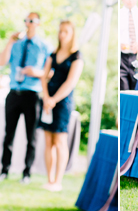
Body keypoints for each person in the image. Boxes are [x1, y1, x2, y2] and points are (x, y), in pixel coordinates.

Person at [0, 12, 51, 184]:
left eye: (32, 20)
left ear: (38, 23)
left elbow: (51, 72)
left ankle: (26, 173)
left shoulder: (44, 46)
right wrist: (9, 42)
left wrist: (37, 72)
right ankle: (4, 170)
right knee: (8, 134)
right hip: (14, 93)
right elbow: (1, 62)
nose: (28, 23)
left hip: (31, 94)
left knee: (31, 136)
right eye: (26, 20)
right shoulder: (17, 44)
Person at [38, 20, 83, 192]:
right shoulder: (53, 53)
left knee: (60, 140)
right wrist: (46, 97)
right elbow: (44, 76)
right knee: (48, 140)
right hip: (48, 100)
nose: (62, 35)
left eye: (66, 32)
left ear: (72, 34)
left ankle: (58, 181)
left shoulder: (76, 56)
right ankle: (49, 180)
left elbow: (70, 82)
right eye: (60, 31)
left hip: (63, 102)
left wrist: (54, 99)